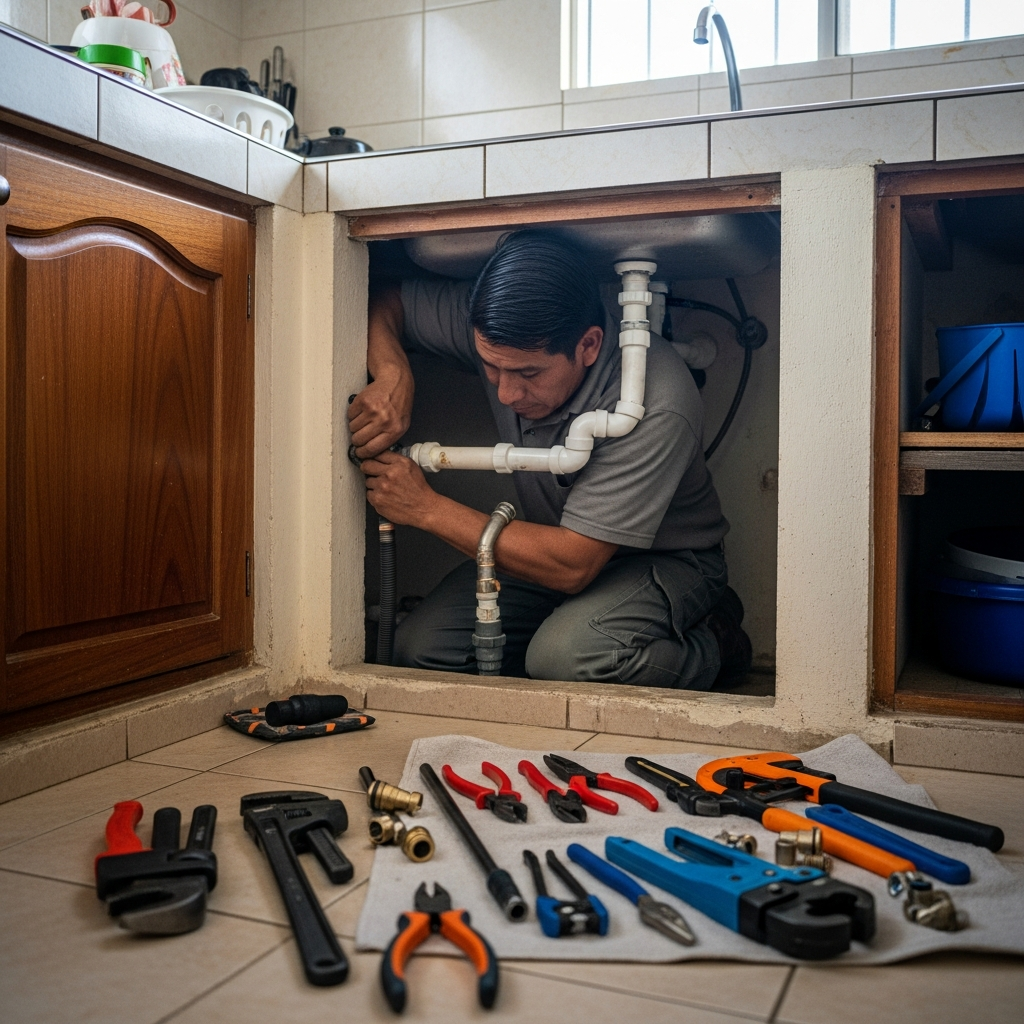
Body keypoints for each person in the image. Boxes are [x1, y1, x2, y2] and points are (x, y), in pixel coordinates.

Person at [348, 230, 751, 689]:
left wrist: (425, 508)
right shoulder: (498, 327)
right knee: (422, 648)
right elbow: (384, 301)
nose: (506, 392)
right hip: (548, 544)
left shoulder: (654, 398)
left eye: (528, 373)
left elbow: (572, 564)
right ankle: (566, 634)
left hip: (662, 559)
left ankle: (716, 641)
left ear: (589, 345)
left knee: (570, 661)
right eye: (491, 367)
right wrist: (394, 373)